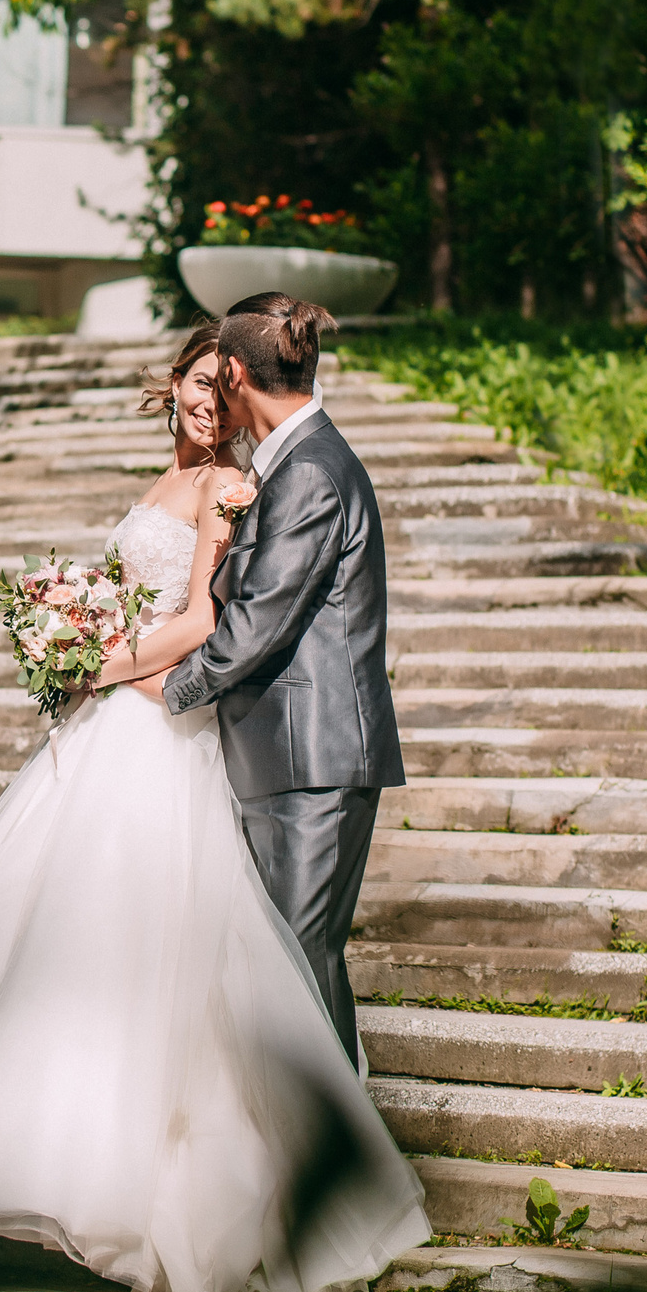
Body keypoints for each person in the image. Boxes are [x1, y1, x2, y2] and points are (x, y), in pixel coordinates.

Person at [0, 320, 428, 1292]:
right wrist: (79, 637)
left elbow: (208, 622)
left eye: (219, 389)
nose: (205, 404)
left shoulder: (230, 487)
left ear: (239, 390)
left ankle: (256, 1175)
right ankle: (10, 1161)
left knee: (166, 950)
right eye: (192, 386)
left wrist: (95, 667)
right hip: (112, 723)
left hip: (158, 729)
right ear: (170, 386)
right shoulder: (161, 485)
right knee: (44, 939)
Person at [159, 293, 403, 1067]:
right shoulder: (296, 462)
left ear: (231, 371)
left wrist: (159, 692)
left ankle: (338, 1172)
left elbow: (252, 627)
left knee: (297, 971)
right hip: (286, 761)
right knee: (293, 972)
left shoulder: (308, 472)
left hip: (314, 762)